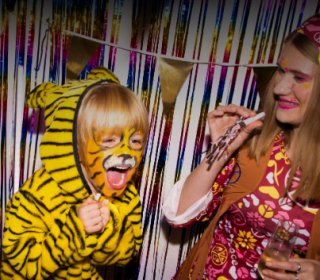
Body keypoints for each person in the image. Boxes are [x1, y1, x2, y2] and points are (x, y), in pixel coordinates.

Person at [163, 14, 320, 280]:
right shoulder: (257, 142)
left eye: (299, 76)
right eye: (281, 71)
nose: (280, 87)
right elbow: (179, 216)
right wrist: (222, 149)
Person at [1, 67, 149, 279]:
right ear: (76, 145)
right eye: (109, 141)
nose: (126, 153)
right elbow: (21, 259)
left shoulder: (127, 197)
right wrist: (75, 230)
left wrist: (108, 229)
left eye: (135, 141)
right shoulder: (41, 193)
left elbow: (126, 255)